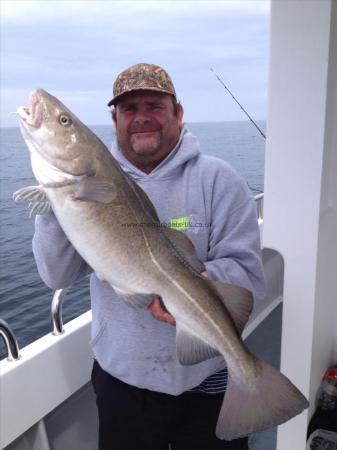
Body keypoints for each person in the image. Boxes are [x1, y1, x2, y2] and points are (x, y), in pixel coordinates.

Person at [32, 63, 265, 450]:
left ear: (178, 113)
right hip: (123, 385)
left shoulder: (219, 180)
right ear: (114, 119)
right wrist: (55, 205)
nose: (141, 117)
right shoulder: (90, 184)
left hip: (209, 382)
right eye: (128, 108)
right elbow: (56, 276)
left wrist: (200, 284)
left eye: (154, 106)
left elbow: (247, 273)